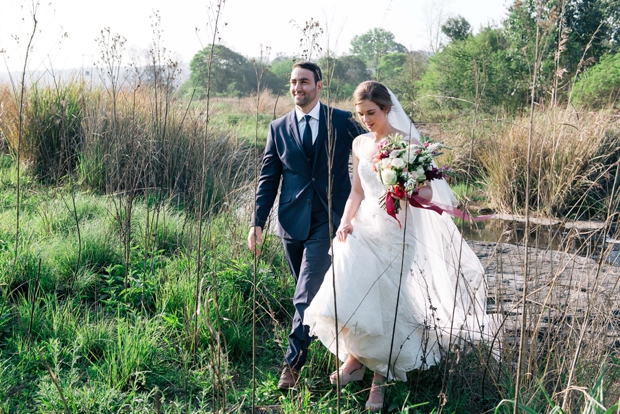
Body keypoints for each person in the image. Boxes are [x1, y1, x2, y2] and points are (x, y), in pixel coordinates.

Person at [304, 81, 496, 411]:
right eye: (361, 114)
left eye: (371, 113)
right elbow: (356, 192)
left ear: (387, 108)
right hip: (364, 227)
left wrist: (404, 189)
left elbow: (428, 195)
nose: (366, 119)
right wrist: (346, 221)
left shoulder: (408, 144)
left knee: (388, 302)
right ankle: (354, 358)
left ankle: (377, 383)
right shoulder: (359, 143)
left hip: (397, 233)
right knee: (347, 289)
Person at [248, 61, 365, 391]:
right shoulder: (278, 127)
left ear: (319, 86)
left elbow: (374, 149)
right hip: (291, 222)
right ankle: (353, 354)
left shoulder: (341, 121)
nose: (297, 87)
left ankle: (291, 365)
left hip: (330, 220)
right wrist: (258, 222)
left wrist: (400, 174)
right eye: (293, 82)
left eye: (304, 82)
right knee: (310, 296)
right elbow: (269, 178)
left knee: (306, 295)